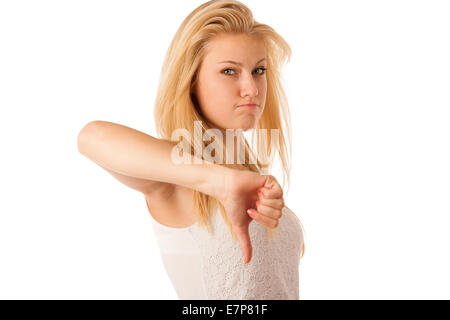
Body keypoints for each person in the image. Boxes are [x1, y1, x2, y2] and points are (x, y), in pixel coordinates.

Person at [77, 0, 305, 300]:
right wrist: (219, 181)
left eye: (258, 70)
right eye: (229, 71)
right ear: (191, 81)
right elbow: (91, 137)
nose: (251, 88)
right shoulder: (180, 175)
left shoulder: (250, 177)